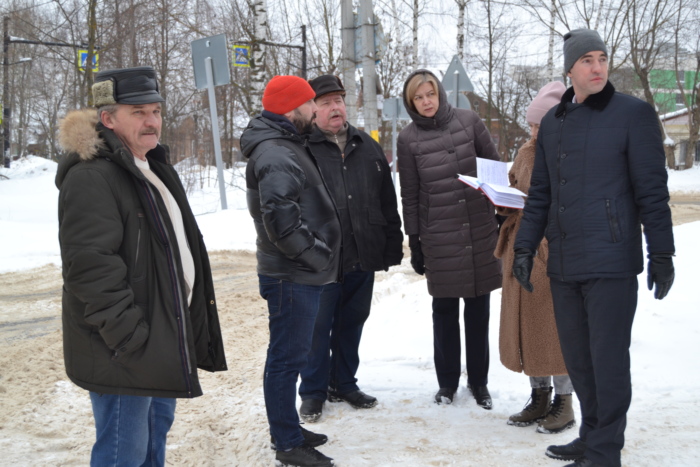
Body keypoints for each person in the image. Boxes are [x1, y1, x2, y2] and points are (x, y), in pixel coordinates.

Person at [513, 29, 675, 467]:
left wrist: (661, 252)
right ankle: (590, 436)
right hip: (565, 264)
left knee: (608, 364)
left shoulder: (634, 115)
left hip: (611, 261)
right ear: (570, 69)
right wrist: (525, 248)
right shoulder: (553, 123)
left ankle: (605, 452)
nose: (598, 67)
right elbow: (541, 195)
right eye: (587, 59)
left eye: (602, 57)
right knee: (580, 363)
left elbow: (652, 192)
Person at [55, 66, 228, 467]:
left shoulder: (151, 166)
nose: (151, 121)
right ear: (108, 119)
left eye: (155, 111)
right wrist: (131, 339)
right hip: (126, 349)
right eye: (138, 112)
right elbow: (90, 269)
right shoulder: (92, 178)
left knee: (153, 444)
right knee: (123, 454)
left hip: (160, 337)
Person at [241, 75, 341, 467]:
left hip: (298, 272)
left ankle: (289, 429)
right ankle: (287, 442)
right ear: (293, 108)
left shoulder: (284, 145)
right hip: (293, 274)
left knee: (292, 355)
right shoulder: (276, 153)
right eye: (310, 104)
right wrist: (318, 256)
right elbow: (281, 223)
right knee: (285, 359)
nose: (315, 110)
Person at [298, 75, 404, 422]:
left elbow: (387, 201)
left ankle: (344, 382)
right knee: (317, 328)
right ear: (312, 109)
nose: (335, 108)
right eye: (326, 102)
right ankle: (313, 391)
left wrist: (391, 244)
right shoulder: (303, 148)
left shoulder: (366, 145)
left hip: (362, 251)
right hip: (321, 258)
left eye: (339, 100)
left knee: (352, 321)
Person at [397, 69, 502, 409]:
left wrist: (501, 215)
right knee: (443, 311)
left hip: (478, 230)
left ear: (440, 93)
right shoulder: (408, 139)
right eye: (419, 97)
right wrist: (415, 241)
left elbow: (494, 169)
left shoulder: (469, 121)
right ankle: (447, 384)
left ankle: (480, 382)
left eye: (431, 94)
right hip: (438, 236)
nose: (427, 102)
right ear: (411, 102)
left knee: (478, 308)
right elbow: (410, 194)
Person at [495, 81, 576, 434]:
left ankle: (565, 402)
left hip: (551, 250)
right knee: (527, 328)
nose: (533, 132)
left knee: (555, 330)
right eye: (530, 125)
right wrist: (501, 201)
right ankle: (539, 395)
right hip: (520, 248)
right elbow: (516, 189)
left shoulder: (571, 153)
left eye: (539, 125)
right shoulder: (527, 151)